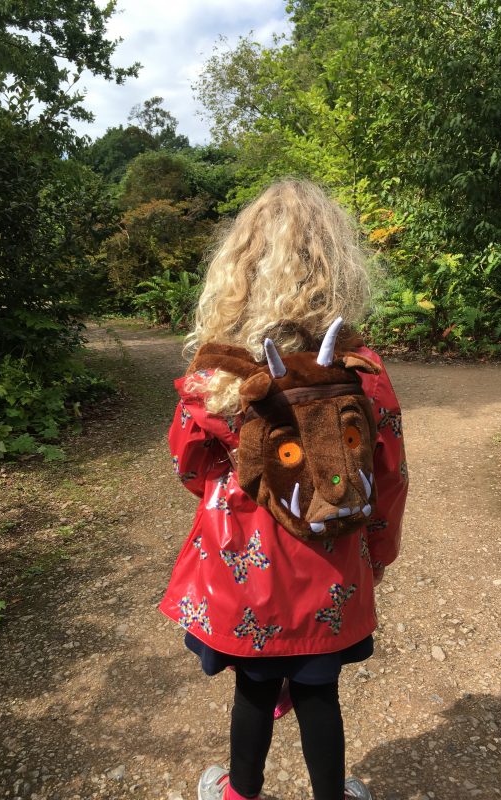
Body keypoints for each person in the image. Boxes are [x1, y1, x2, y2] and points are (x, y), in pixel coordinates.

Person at [158, 179, 409, 800]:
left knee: (254, 689)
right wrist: (379, 551)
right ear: (338, 268)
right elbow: (389, 474)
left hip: (246, 568)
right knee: (321, 690)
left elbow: (188, 463)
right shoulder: (358, 371)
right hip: (330, 559)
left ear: (239, 268)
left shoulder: (220, 375)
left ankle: (240, 791)